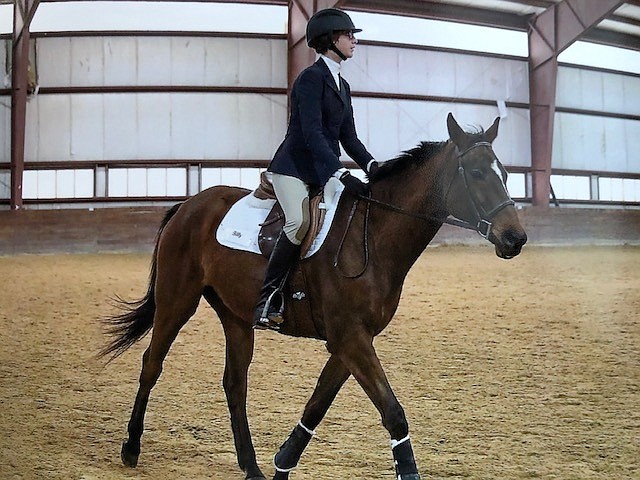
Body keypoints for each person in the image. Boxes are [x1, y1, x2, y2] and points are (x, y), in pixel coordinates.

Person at [253, 8, 379, 330]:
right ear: (329, 40)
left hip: (321, 169)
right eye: (348, 34)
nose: (354, 40)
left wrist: (371, 165)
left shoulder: (343, 86)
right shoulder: (310, 79)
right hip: (293, 168)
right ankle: (268, 298)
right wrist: (338, 173)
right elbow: (310, 133)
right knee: (299, 221)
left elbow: (348, 136)